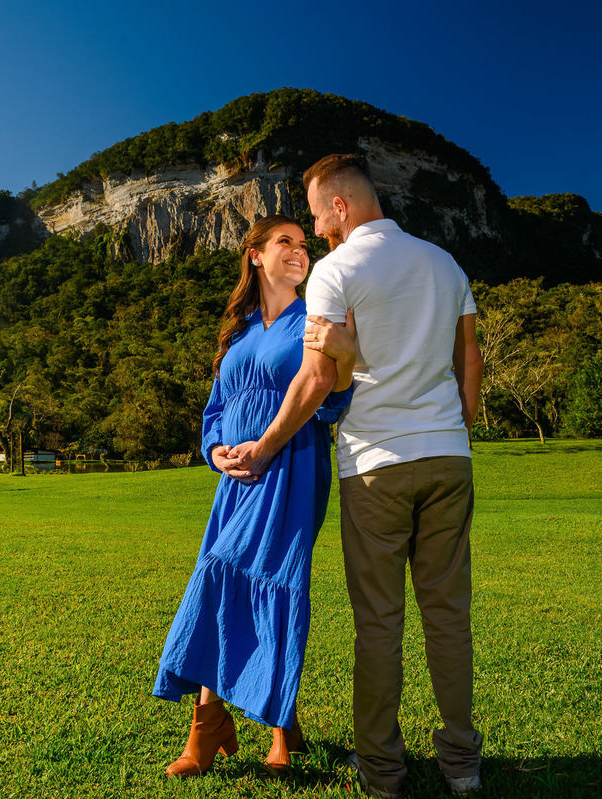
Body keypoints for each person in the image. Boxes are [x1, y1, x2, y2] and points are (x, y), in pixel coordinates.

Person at [229, 154, 485, 798]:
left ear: (340, 205)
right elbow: (469, 357)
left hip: (375, 466)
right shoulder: (444, 264)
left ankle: (383, 772)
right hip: (448, 458)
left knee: (379, 622)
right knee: (448, 616)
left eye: (316, 216)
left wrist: (262, 446)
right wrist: (458, 430)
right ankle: (462, 766)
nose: (315, 232)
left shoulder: (337, 273)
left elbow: (318, 377)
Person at [153, 215, 357, 778]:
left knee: (271, 580)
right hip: (235, 479)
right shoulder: (238, 330)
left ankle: (260, 725)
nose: (299, 251)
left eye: (304, 244)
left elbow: (334, 400)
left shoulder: (315, 318)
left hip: (291, 467)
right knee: (221, 577)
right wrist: (216, 450)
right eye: (284, 242)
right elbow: (215, 409)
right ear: (255, 256)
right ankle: (228, 722)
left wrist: (268, 442)